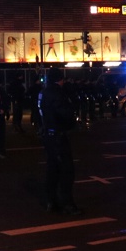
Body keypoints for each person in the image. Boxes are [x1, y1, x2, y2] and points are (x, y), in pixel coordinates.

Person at [39, 68, 81, 214]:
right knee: (66, 171)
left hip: (48, 134)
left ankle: (51, 201)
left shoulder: (44, 92)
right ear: (60, 79)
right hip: (58, 134)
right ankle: (67, 203)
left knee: (52, 170)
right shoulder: (58, 93)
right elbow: (65, 113)